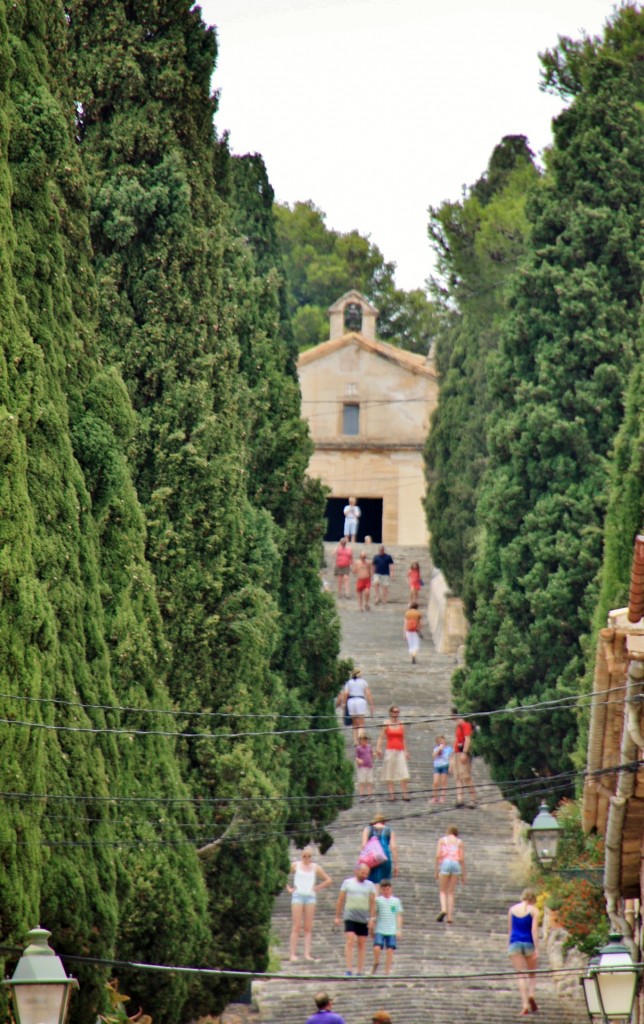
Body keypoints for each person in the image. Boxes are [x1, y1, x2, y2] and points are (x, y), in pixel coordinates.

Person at [286, 846, 332, 962]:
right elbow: (283, 875)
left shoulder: (315, 867)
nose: (307, 859)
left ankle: (307, 954)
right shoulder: (295, 865)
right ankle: (292, 954)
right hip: (298, 895)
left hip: (310, 897)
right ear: (301, 856)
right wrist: (289, 889)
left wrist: (317, 888)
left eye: (309, 856)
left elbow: (328, 880)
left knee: (308, 927)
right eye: (304, 856)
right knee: (296, 926)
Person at [335, 863, 376, 976]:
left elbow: (373, 903)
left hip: (363, 918)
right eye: (363, 873)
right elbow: (340, 900)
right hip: (350, 916)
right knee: (350, 939)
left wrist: (372, 918)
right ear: (356, 871)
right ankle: (348, 969)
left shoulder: (370, 885)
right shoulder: (347, 883)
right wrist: (337, 916)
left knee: (362, 943)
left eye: (366, 874)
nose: (364, 875)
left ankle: (360, 970)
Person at [508, 888, 539, 1016]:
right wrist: (537, 948)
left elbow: (510, 930)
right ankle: (531, 994)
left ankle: (525, 1004)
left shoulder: (512, 910)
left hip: (515, 943)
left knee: (520, 975)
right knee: (532, 973)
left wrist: (508, 945)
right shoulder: (534, 911)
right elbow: (534, 931)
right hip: (528, 943)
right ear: (533, 899)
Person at [376, 705, 410, 801]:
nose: (396, 714)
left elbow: (403, 739)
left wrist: (406, 751)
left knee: (403, 772)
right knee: (389, 772)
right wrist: (378, 748)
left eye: (397, 712)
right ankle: (392, 795)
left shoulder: (401, 724)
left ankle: (405, 794)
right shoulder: (386, 723)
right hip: (390, 750)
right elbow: (381, 737)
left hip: (400, 751)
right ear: (390, 713)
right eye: (394, 712)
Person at [371, 879, 403, 975]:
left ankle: (387, 971)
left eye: (388, 889)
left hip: (391, 929)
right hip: (380, 928)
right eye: (384, 890)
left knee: (390, 949)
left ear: (391, 889)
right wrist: (372, 926)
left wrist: (399, 929)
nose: (386, 892)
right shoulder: (378, 901)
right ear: (381, 890)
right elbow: (374, 914)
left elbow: (398, 916)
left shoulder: (396, 901)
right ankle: (376, 962)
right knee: (377, 947)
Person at [435, 825, 465, 924]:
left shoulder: (442, 840)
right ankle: (450, 917)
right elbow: (461, 859)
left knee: (442, 891)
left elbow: (438, 855)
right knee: (451, 892)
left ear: (448, 832)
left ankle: (443, 909)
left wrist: (436, 870)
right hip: (456, 864)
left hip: (446, 863)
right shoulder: (459, 842)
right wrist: (464, 874)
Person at [360, 814, 398, 886]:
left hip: (371, 858)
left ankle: (375, 896)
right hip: (385, 857)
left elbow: (363, 846)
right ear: (384, 822)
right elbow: (393, 847)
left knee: (372, 883)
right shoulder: (389, 830)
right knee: (384, 883)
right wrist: (396, 865)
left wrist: (362, 860)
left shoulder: (367, 829)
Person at [452, 708, 477, 809]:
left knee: (466, 777)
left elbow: (468, 739)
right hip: (457, 753)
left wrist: (465, 753)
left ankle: (473, 799)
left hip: (462, 753)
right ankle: (460, 799)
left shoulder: (465, 725)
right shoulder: (458, 726)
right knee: (458, 777)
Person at [342, 668, 374, 743]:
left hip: (351, 701)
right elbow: (368, 694)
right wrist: (371, 704)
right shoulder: (363, 682)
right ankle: (361, 739)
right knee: (361, 723)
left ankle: (356, 741)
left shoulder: (349, 682)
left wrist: (344, 704)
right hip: (360, 700)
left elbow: (346, 693)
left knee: (354, 723)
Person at [431, 734, 452, 803]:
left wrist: (450, 767)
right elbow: (433, 756)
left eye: (442, 740)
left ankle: (442, 797)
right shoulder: (436, 748)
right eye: (439, 741)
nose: (441, 742)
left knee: (443, 782)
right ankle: (434, 797)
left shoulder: (449, 749)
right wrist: (439, 749)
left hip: (445, 766)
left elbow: (451, 758)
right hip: (437, 766)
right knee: (435, 782)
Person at [355, 731, 374, 801]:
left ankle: (370, 795)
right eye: (363, 740)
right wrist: (359, 761)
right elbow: (356, 757)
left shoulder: (369, 747)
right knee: (362, 781)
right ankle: (361, 795)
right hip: (362, 767)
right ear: (360, 741)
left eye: (365, 740)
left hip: (369, 766)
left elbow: (371, 754)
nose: (364, 742)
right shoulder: (358, 748)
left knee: (370, 781)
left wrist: (374, 755)